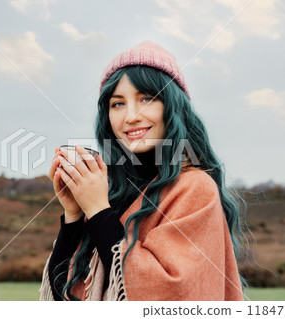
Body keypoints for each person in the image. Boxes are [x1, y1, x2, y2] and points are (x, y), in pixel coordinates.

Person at [39, 41, 248, 301]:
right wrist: (74, 215)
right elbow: (62, 295)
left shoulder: (195, 187)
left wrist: (97, 211)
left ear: (173, 107)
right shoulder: (113, 192)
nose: (131, 116)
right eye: (118, 104)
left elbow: (168, 294)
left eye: (147, 98)